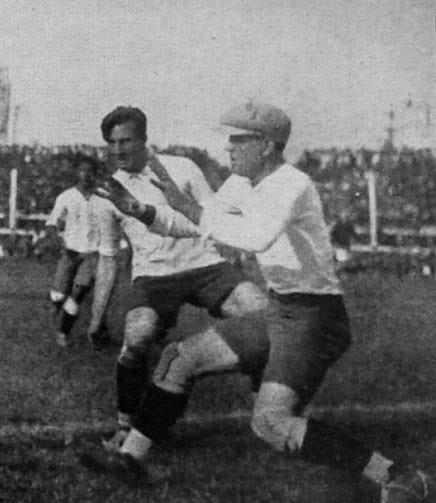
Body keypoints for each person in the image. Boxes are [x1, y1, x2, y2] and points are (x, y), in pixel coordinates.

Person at [83, 102, 432, 501]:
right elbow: (199, 222)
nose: (228, 148)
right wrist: (144, 211)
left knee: (270, 424)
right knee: (179, 359)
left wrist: (186, 206)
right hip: (281, 309)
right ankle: (129, 459)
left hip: (314, 318)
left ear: (266, 145)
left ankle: (398, 476)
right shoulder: (239, 183)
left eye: (238, 140)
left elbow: (254, 237)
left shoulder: (292, 183)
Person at [91, 106, 269, 449]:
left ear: (144, 139)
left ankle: (271, 414)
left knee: (261, 313)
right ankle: (126, 426)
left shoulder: (182, 168)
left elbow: (214, 215)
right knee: (138, 336)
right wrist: (96, 318)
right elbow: (108, 259)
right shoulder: (108, 195)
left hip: (205, 265)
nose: (117, 150)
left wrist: (235, 253)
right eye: (111, 143)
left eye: (125, 141)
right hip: (153, 278)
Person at [41, 154, 113, 348]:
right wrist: (58, 240)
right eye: (83, 171)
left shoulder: (104, 199)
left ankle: (63, 332)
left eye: (91, 173)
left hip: (92, 254)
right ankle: (57, 310)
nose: (86, 176)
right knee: (58, 295)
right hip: (70, 252)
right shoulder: (66, 197)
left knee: (78, 294)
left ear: (95, 175)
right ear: (77, 173)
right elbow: (51, 223)